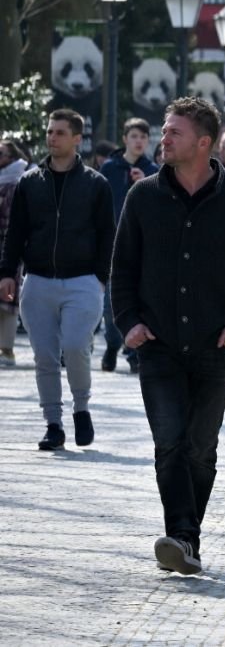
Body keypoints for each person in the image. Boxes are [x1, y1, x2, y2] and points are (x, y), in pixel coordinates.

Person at [111, 97, 225, 575]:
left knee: (201, 448)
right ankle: (182, 535)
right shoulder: (143, 197)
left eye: (173, 132)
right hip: (156, 344)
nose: (164, 139)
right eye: (164, 130)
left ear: (203, 142)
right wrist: (128, 322)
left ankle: (185, 539)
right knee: (169, 443)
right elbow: (123, 268)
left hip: (214, 346)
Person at [0, 110, 115, 451]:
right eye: (50, 131)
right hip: (37, 281)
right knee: (45, 357)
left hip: (83, 281)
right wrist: (7, 272)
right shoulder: (29, 182)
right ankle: (53, 423)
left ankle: (81, 408)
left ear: (77, 138)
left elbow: (108, 235)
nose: (52, 137)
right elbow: (15, 232)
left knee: (76, 346)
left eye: (60, 132)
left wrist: (99, 278)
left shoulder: (96, 184)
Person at [97, 117, 159, 372]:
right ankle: (112, 344)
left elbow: (160, 204)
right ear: (125, 139)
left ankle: (134, 352)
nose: (139, 141)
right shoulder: (110, 168)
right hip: (112, 243)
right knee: (112, 301)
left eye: (143, 137)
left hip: (144, 244)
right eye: (134, 136)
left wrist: (145, 181)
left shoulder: (154, 169)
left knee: (142, 298)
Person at [0, 138, 32, 367]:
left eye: (1, 153)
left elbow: (15, 221)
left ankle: (7, 347)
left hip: (7, 245)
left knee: (8, 297)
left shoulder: (16, 181)